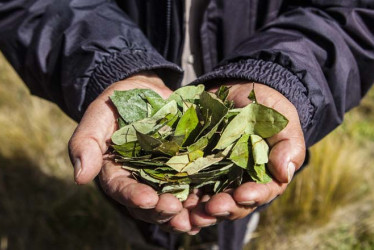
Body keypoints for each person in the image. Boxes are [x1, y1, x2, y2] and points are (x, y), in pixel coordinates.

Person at [1, 0, 373, 249]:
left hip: (244, 92)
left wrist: (282, 74)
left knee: (231, 216)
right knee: (150, 216)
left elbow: (355, 11)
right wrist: (108, 64)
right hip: (145, 106)